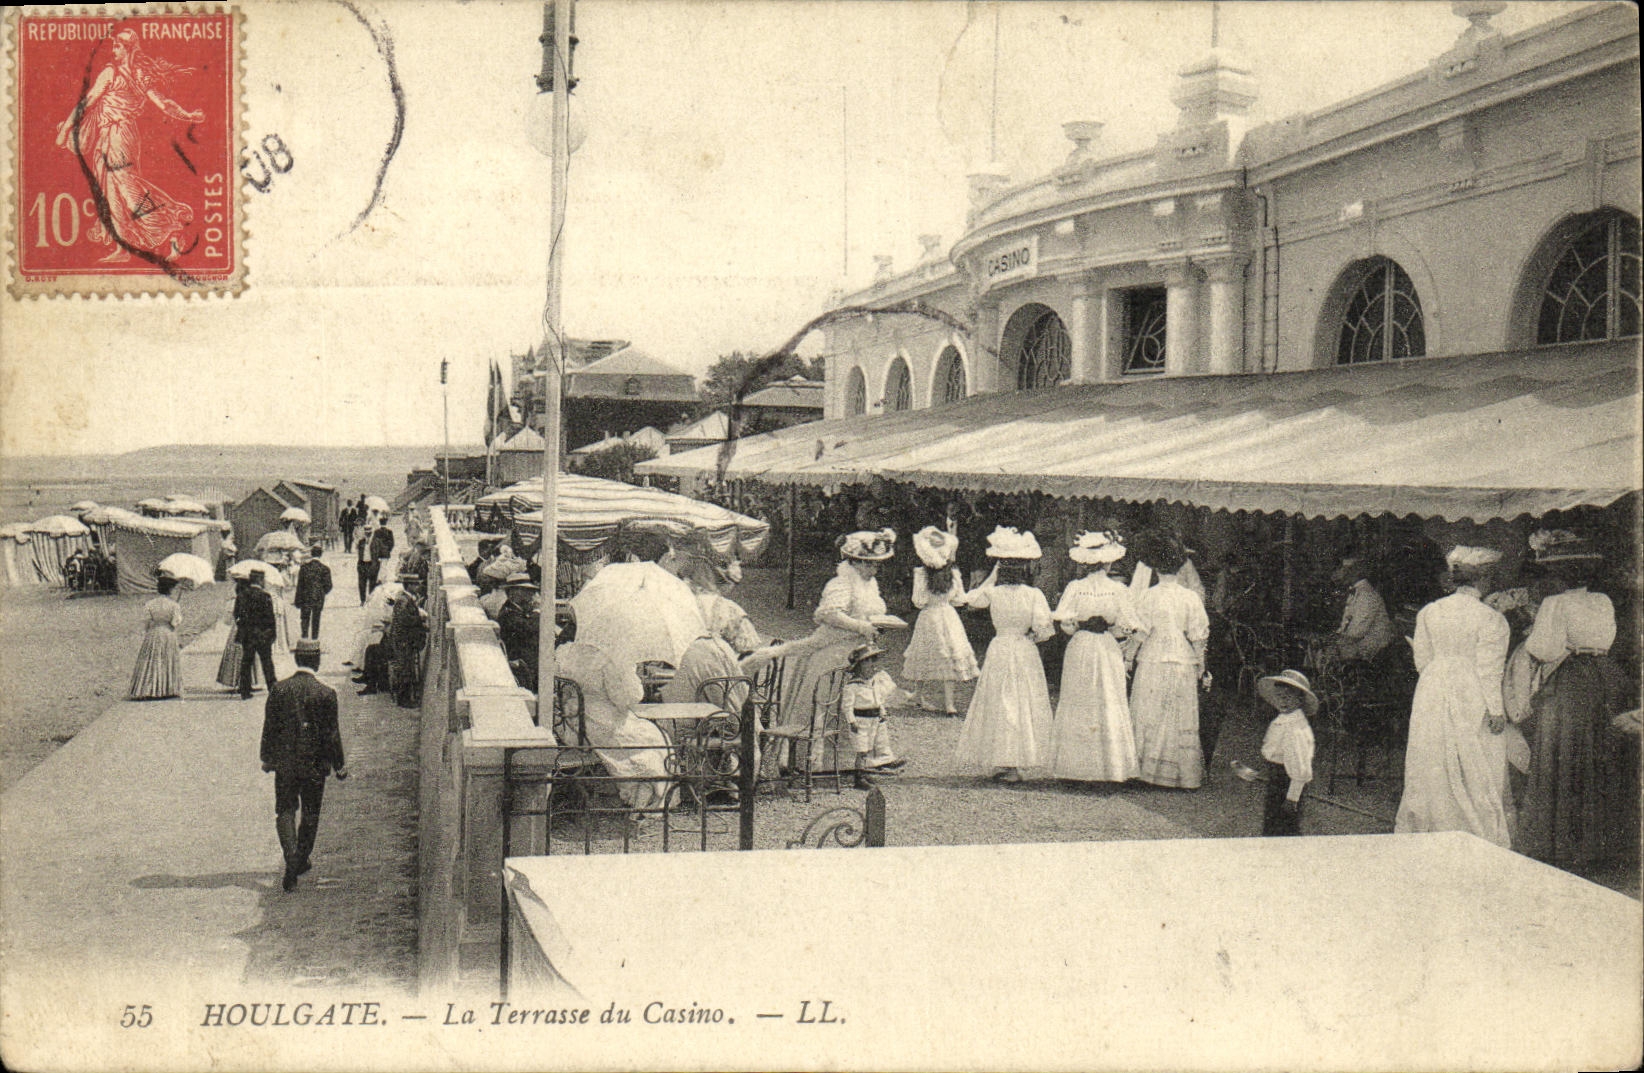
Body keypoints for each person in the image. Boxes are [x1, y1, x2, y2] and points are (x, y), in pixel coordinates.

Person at [1516, 530, 1635, 867]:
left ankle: (1563, 845)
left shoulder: (1556, 603)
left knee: (1563, 751)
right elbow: (1607, 639)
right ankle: (1600, 845)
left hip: (1572, 680)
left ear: (1559, 575)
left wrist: (1539, 640)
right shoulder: (1602, 601)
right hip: (1604, 674)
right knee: (1600, 752)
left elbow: (1542, 648)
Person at [1394, 546, 1512, 848]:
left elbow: (1422, 660)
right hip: (1470, 687)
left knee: (1431, 753)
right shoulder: (1492, 619)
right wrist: (1496, 710)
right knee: (1472, 755)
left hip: (1433, 684)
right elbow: (1489, 669)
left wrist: (1438, 679)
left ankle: (1431, 825)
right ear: (1484, 579)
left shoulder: (1430, 611)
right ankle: (1469, 828)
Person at [54, 28, 203, 262]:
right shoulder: (138, 73)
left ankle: (172, 225)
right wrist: (188, 115)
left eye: (117, 46)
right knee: (110, 191)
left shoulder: (114, 73)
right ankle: (123, 248)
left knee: (126, 187)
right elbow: (163, 104)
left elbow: (89, 101)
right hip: (114, 135)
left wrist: (65, 130)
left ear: (127, 49)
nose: (113, 50)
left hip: (118, 134)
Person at [766, 529, 896, 774]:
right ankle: (815, 763)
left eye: (877, 565)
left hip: (860, 652)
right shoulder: (840, 583)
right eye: (869, 564)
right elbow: (829, 614)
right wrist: (861, 626)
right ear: (854, 561)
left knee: (864, 702)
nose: (874, 570)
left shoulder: (869, 584)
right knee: (831, 702)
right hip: (835, 653)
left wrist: (877, 624)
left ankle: (861, 760)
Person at [952, 527, 1055, 783]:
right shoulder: (1034, 595)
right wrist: (1032, 637)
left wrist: (991, 576)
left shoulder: (993, 592)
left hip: (1000, 647)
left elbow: (967, 599)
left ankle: (1006, 759)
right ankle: (1011, 761)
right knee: (1020, 701)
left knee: (1001, 700)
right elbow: (1045, 629)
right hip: (1022, 647)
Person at [1049, 531, 1140, 783]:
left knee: (1079, 698)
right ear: (1108, 562)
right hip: (1107, 646)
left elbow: (1065, 623)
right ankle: (1108, 769)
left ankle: (1075, 768)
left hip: (1081, 645)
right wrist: (1110, 629)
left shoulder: (1075, 588)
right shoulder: (1118, 589)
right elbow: (1127, 626)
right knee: (1107, 698)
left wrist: (1079, 627)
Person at [259, 638, 346, 891]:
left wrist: (267, 757)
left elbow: (269, 728)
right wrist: (339, 765)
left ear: (297, 659)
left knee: (285, 810)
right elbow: (332, 735)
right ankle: (299, 859)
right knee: (310, 813)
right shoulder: (326, 694)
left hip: (285, 763)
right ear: (317, 660)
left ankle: (290, 856)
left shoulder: (279, 690)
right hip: (315, 766)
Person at [1128, 537, 1211, 789]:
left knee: (1151, 710)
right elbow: (1199, 636)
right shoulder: (1190, 598)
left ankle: (1146, 771)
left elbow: (1140, 632)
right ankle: (1178, 775)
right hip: (1181, 659)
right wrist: (1201, 667)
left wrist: (1128, 658)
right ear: (1180, 567)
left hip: (1153, 656)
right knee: (1176, 713)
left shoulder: (1148, 596)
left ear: (1155, 568)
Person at [556, 639, 672, 819]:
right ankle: (644, 797)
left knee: (647, 735)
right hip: (602, 723)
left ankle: (639, 793)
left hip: (575, 724)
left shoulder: (568, 652)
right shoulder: (610, 658)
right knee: (656, 737)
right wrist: (632, 673)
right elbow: (628, 697)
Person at [902, 525, 979, 716]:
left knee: (925, 652)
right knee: (949, 654)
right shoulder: (953, 573)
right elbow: (960, 599)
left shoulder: (921, 574)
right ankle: (949, 703)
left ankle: (918, 693)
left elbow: (918, 602)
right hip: (948, 615)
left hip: (929, 616)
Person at [1255, 670, 1318, 836]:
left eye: (1288, 696)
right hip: (1277, 777)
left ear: (1299, 700)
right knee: (1274, 825)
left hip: (1287, 782)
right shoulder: (1283, 719)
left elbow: (1299, 765)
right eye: (1279, 696)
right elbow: (1274, 751)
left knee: (1284, 827)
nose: (1282, 700)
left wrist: (1292, 797)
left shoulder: (1295, 728)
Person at [843, 644, 912, 788]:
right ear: (859, 665)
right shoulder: (852, 686)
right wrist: (852, 721)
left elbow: (877, 699)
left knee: (868, 748)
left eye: (873, 661)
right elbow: (847, 706)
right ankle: (859, 778)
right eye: (868, 662)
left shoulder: (872, 682)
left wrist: (881, 711)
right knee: (861, 750)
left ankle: (865, 772)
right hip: (860, 721)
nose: (872, 666)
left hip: (872, 720)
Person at [1329, 557, 1396, 665]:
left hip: (1372, 655)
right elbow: (1346, 626)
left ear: (1351, 571)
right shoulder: (1357, 592)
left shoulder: (1367, 595)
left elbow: (1356, 632)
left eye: (1341, 570)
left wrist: (1335, 641)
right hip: (1357, 649)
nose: (1338, 575)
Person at [128, 576, 183, 700]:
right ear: (170, 590)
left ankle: (150, 688)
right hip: (168, 633)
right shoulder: (174, 605)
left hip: (154, 633)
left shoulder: (150, 604)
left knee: (152, 661)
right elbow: (175, 622)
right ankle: (166, 688)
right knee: (166, 659)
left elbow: (146, 622)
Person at [236, 570, 280, 701]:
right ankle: (272, 687)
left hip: (247, 634)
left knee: (246, 661)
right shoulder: (265, 596)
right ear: (260, 580)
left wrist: (243, 628)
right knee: (267, 661)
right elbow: (270, 618)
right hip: (262, 634)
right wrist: (271, 634)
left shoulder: (242, 595)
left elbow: (236, 615)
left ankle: (245, 690)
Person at [216, 577, 262, 694]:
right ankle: (248, 681)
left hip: (237, 629)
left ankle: (235, 680)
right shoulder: (253, 600)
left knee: (236, 654)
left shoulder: (235, 601)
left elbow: (226, 620)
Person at [496, 574, 541, 690]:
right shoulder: (509, 614)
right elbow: (531, 629)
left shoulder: (516, 610)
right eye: (526, 591)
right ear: (513, 592)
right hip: (522, 664)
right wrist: (537, 611)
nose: (531, 595)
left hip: (525, 658)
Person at [390, 586, 429, 709]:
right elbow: (405, 619)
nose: (418, 586)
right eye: (415, 584)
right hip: (403, 640)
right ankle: (404, 699)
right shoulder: (404, 600)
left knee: (406, 668)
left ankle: (405, 697)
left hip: (403, 639)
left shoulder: (404, 598)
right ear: (409, 585)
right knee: (405, 669)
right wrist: (419, 620)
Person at [295, 544, 333, 641]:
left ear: (311, 554)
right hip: (318, 597)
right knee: (316, 618)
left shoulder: (304, 568)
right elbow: (329, 586)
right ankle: (314, 639)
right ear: (321, 555)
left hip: (305, 597)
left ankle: (304, 637)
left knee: (305, 618)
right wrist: (322, 591)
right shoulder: (325, 569)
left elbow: (300, 585)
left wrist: (297, 600)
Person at [356, 522, 379, 604]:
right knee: (362, 584)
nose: (367, 533)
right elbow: (359, 552)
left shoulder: (376, 541)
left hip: (371, 564)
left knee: (372, 584)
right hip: (362, 564)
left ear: (371, 532)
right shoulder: (361, 541)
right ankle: (362, 600)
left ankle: (370, 601)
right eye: (366, 531)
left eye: (369, 531)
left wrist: (376, 564)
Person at [369, 523, 396, 590]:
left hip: (378, 551)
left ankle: (379, 578)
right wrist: (389, 549)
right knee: (384, 565)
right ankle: (382, 579)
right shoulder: (389, 531)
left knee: (378, 565)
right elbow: (392, 543)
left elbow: (374, 542)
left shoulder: (376, 531)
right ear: (386, 523)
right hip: (385, 551)